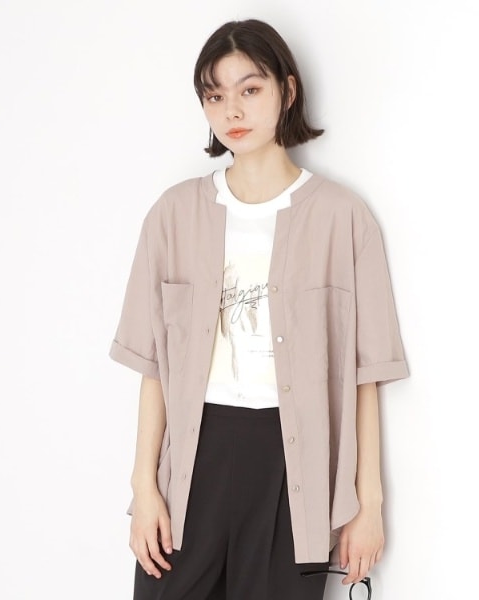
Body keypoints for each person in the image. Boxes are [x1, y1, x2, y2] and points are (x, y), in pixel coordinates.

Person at [109, 18, 409, 600]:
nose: (232, 111)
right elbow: (154, 370)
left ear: (287, 91)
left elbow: (365, 377)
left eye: (250, 89)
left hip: (292, 471)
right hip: (193, 462)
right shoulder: (173, 215)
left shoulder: (343, 219)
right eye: (214, 95)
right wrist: (144, 488)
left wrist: (367, 504)